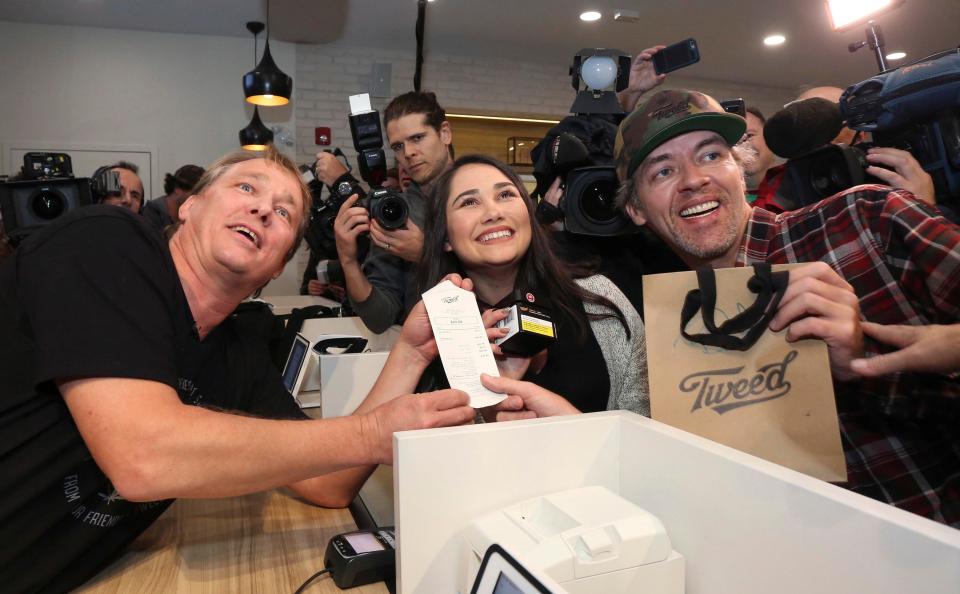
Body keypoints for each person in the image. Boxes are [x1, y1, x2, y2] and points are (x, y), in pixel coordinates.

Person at [0, 145, 475, 592]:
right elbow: (144, 457)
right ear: (188, 207)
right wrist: (372, 432)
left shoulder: (237, 349)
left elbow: (330, 482)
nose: (263, 209)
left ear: (277, 267)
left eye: (284, 211)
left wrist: (411, 354)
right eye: (246, 188)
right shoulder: (108, 241)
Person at [604, 88, 959, 526]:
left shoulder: (866, 221)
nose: (694, 179)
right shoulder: (664, 342)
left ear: (741, 168)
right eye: (663, 171)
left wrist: (870, 361)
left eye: (712, 155)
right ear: (637, 209)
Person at [419, 154, 647, 415]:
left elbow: (644, 424)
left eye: (505, 195)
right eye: (470, 202)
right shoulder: (432, 338)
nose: (493, 213)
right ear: (445, 237)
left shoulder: (599, 296)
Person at [315, 91, 455, 332]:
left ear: (444, 133)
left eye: (418, 138)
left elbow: (507, 273)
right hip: (426, 356)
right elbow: (379, 318)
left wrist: (427, 253)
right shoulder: (396, 214)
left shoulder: (487, 190)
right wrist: (348, 261)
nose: (408, 153)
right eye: (398, 146)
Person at [142, 163, 205, 229]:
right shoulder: (152, 213)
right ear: (177, 189)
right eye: (195, 194)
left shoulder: (190, 213)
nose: (198, 201)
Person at [742, 106, 778, 203]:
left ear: (769, 136)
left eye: (749, 135)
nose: (742, 145)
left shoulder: (799, 188)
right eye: (734, 141)